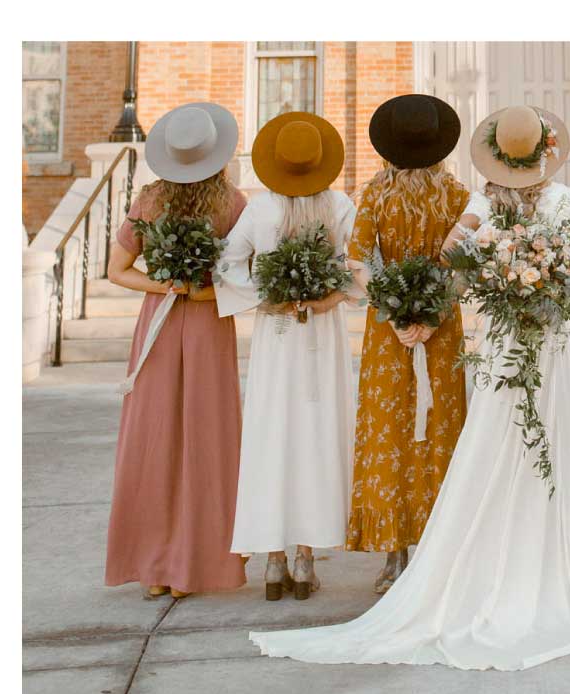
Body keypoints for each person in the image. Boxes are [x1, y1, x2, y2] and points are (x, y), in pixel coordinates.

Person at [246, 104, 570, 671]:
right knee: (551, 449)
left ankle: (481, 562)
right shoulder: (565, 201)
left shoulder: (480, 202)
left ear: (497, 157)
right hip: (554, 340)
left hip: (502, 341)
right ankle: (544, 567)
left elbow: (452, 258)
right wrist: (558, 283)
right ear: (547, 154)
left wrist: (497, 281)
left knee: (495, 445)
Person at [105, 103, 247, 599]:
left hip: (159, 323)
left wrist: (163, 285)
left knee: (154, 436)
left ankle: (154, 569)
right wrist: (199, 292)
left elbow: (116, 270)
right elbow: (242, 277)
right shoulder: (233, 203)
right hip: (207, 323)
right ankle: (194, 564)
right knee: (206, 438)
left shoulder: (148, 199)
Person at [216, 112, 357, 601]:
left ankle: (274, 563)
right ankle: (303, 555)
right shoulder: (339, 204)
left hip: (276, 336)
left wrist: (264, 296)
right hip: (320, 333)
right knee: (314, 438)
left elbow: (227, 263)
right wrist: (325, 300)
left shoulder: (261, 209)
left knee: (272, 435)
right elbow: (357, 269)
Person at [342, 94, 470, 593]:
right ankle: (439, 552)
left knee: (389, 432)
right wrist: (435, 316)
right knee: (440, 431)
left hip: (387, 333)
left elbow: (357, 263)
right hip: (442, 331)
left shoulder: (375, 193)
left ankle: (394, 556)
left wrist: (394, 313)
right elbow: (465, 266)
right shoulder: (457, 195)